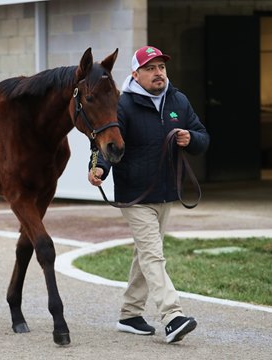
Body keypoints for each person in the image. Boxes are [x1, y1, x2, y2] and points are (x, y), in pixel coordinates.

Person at [88, 45, 210, 343]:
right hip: (135, 195)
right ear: (136, 74)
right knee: (154, 255)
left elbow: (203, 138)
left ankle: (130, 314)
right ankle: (172, 316)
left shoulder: (178, 100)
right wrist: (99, 167)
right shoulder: (122, 105)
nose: (158, 73)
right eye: (151, 68)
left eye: (161, 68)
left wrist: (190, 138)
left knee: (145, 253)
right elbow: (107, 142)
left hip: (167, 192)